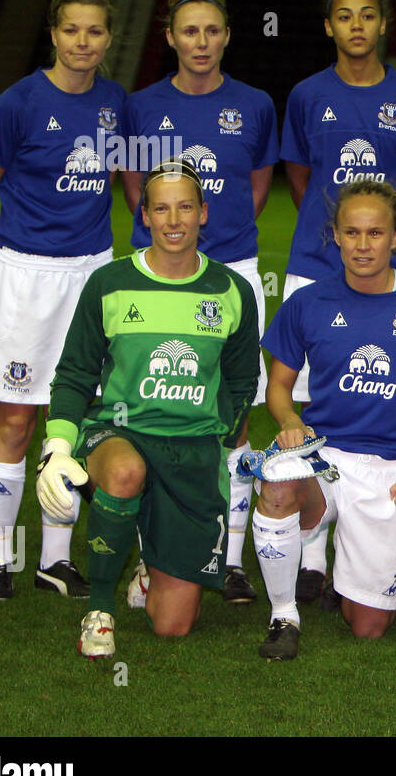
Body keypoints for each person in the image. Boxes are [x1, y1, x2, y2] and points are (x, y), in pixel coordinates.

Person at [35, 163, 259, 658]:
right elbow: (74, 373)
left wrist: (217, 436)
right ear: (145, 215)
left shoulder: (233, 291)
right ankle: (99, 609)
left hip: (193, 451)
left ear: (204, 213)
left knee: (173, 626)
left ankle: (148, 567)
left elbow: (244, 380)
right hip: (122, 433)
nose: (173, 219)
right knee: (125, 472)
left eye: (184, 207)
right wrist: (56, 448)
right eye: (161, 207)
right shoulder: (110, 283)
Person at [0, 0, 126, 602]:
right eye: (71, 30)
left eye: (94, 31)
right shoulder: (17, 102)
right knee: (16, 416)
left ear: (108, 38)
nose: (83, 42)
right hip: (25, 276)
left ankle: (55, 560)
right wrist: (7, 257)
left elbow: (127, 178)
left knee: (81, 417)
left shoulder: (115, 102)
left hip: (93, 276)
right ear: (53, 35)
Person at [251, 180, 396, 660]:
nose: (363, 245)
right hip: (325, 456)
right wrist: (287, 420)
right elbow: (278, 387)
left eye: (376, 233)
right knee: (278, 482)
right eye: (352, 232)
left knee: (368, 627)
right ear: (335, 236)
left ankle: (346, 574)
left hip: (394, 466)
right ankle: (284, 615)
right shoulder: (307, 302)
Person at [120, 0, 278, 607]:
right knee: (153, 410)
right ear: (171, 37)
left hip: (229, 267)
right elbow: (137, 189)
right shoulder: (139, 106)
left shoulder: (256, 104)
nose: (201, 42)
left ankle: (229, 558)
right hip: (158, 274)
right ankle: (150, 556)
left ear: (228, 36)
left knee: (234, 419)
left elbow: (257, 184)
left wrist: (216, 243)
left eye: (212, 31)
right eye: (189, 31)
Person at [279, 0, 396, 605]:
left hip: (391, 264)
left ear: (383, 25)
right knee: (314, 395)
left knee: (391, 389)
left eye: (367, 16)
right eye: (344, 17)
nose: (357, 26)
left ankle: (370, 520)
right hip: (318, 263)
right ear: (329, 27)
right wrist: (338, 237)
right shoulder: (307, 94)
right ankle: (313, 551)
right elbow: (298, 174)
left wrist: (384, 233)